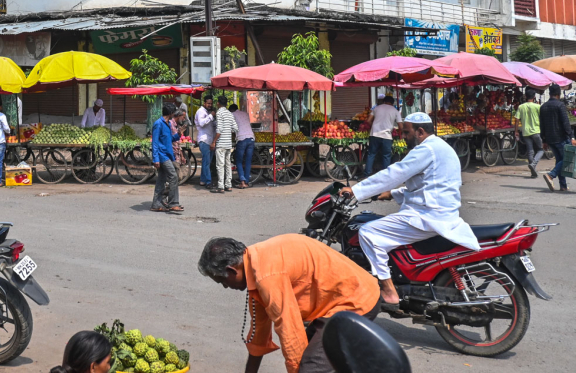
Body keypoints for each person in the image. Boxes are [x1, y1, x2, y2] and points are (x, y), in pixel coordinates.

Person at [340, 112, 479, 306]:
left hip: (428, 216)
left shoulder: (426, 150)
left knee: (368, 232)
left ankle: (388, 290)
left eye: (406, 132)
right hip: (437, 211)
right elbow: (427, 186)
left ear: (420, 131)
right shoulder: (440, 147)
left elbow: (395, 173)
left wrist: (356, 190)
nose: (403, 137)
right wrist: (392, 194)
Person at [198, 234, 380, 373]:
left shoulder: (266, 277)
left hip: (355, 301)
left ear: (231, 270)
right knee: (311, 358)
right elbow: (259, 331)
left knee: (310, 367)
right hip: (334, 304)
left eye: (222, 281)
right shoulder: (254, 261)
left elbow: (289, 330)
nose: (225, 287)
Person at [540, 82, 573, 192]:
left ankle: (563, 185)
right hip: (561, 138)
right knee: (567, 159)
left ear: (550, 94)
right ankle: (551, 175)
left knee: (560, 160)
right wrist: (571, 137)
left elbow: (542, 125)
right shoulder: (560, 105)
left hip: (550, 139)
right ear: (558, 94)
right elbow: (565, 123)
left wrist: (544, 140)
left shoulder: (543, 106)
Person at [151, 103, 183, 213]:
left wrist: (178, 134)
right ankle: (173, 203)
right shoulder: (158, 124)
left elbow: (168, 139)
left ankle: (156, 204)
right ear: (170, 113)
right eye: (174, 112)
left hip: (167, 154)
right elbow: (154, 142)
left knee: (161, 180)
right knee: (173, 176)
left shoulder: (168, 123)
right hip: (162, 155)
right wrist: (155, 159)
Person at [363, 95, 401, 177]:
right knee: (386, 156)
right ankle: (385, 176)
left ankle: (367, 174)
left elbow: (368, 120)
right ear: (392, 103)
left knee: (371, 154)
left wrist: (373, 126)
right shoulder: (395, 110)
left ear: (384, 101)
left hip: (374, 134)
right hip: (387, 136)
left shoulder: (376, 108)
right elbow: (400, 126)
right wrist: (400, 133)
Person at [211, 96, 238, 193]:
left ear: (218, 103)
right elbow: (235, 128)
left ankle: (221, 186)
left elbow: (219, 130)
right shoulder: (230, 114)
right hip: (228, 144)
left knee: (220, 165)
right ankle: (229, 185)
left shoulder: (219, 113)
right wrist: (229, 132)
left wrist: (214, 141)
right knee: (227, 165)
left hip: (221, 143)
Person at [516, 88, 543, 178]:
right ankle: (534, 164)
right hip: (536, 131)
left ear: (526, 97)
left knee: (530, 152)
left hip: (526, 132)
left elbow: (516, 119)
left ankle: (533, 171)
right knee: (541, 149)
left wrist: (516, 131)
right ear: (534, 97)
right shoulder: (537, 106)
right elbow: (542, 118)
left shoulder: (521, 107)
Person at [229, 101, 255, 188]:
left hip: (241, 139)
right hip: (251, 138)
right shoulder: (245, 114)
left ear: (231, 110)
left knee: (238, 161)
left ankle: (242, 181)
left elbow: (232, 128)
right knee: (248, 161)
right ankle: (247, 181)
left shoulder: (232, 115)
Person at [194, 96, 215, 188]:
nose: (210, 105)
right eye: (208, 103)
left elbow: (212, 125)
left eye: (211, 103)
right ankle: (208, 182)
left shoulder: (208, 112)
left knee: (207, 162)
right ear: (204, 103)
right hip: (204, 140)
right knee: (206, 162)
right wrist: (211, 116)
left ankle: (203, 180)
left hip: (210, 140)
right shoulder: (201, 111)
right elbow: (202, 123)